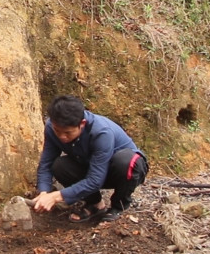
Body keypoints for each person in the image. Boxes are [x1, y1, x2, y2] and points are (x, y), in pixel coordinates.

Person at [32, 95, 148, 223]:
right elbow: (46, 163)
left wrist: (57, 196)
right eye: (57, 131)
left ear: (82, 124)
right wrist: (43, 192)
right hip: (91, 167)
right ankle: (95, 204)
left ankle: (119, 206)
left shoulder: (101, 132)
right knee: (59, 165)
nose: (62, 136)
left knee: (126, 161)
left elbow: (95, 180)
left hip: (122, 171)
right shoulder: (51, 128)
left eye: (68, 133)